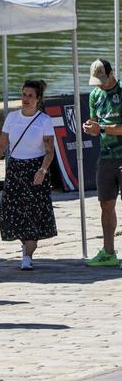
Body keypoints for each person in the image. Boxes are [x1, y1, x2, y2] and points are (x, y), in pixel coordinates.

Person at [0, 79, 56, 270]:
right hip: (16, 169)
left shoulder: (44, 120)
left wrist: (42, 170)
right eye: (24, 94)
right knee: (9, 213)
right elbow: (2, 144)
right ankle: (25, 242)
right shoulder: (12, 118)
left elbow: (50, 150)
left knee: (33, 215)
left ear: (38, 99)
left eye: (30, 96)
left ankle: (28, 254)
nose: (26, 99)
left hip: (35, 169)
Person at [83, 59, 122, 266]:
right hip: (106, 157)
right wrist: (90, 127)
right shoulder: (95, 95)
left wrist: (103, 129)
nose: (99, 84)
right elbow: (95, 123)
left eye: (102, 80)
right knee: (106, 204)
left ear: (111, 73)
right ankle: (108, 253)